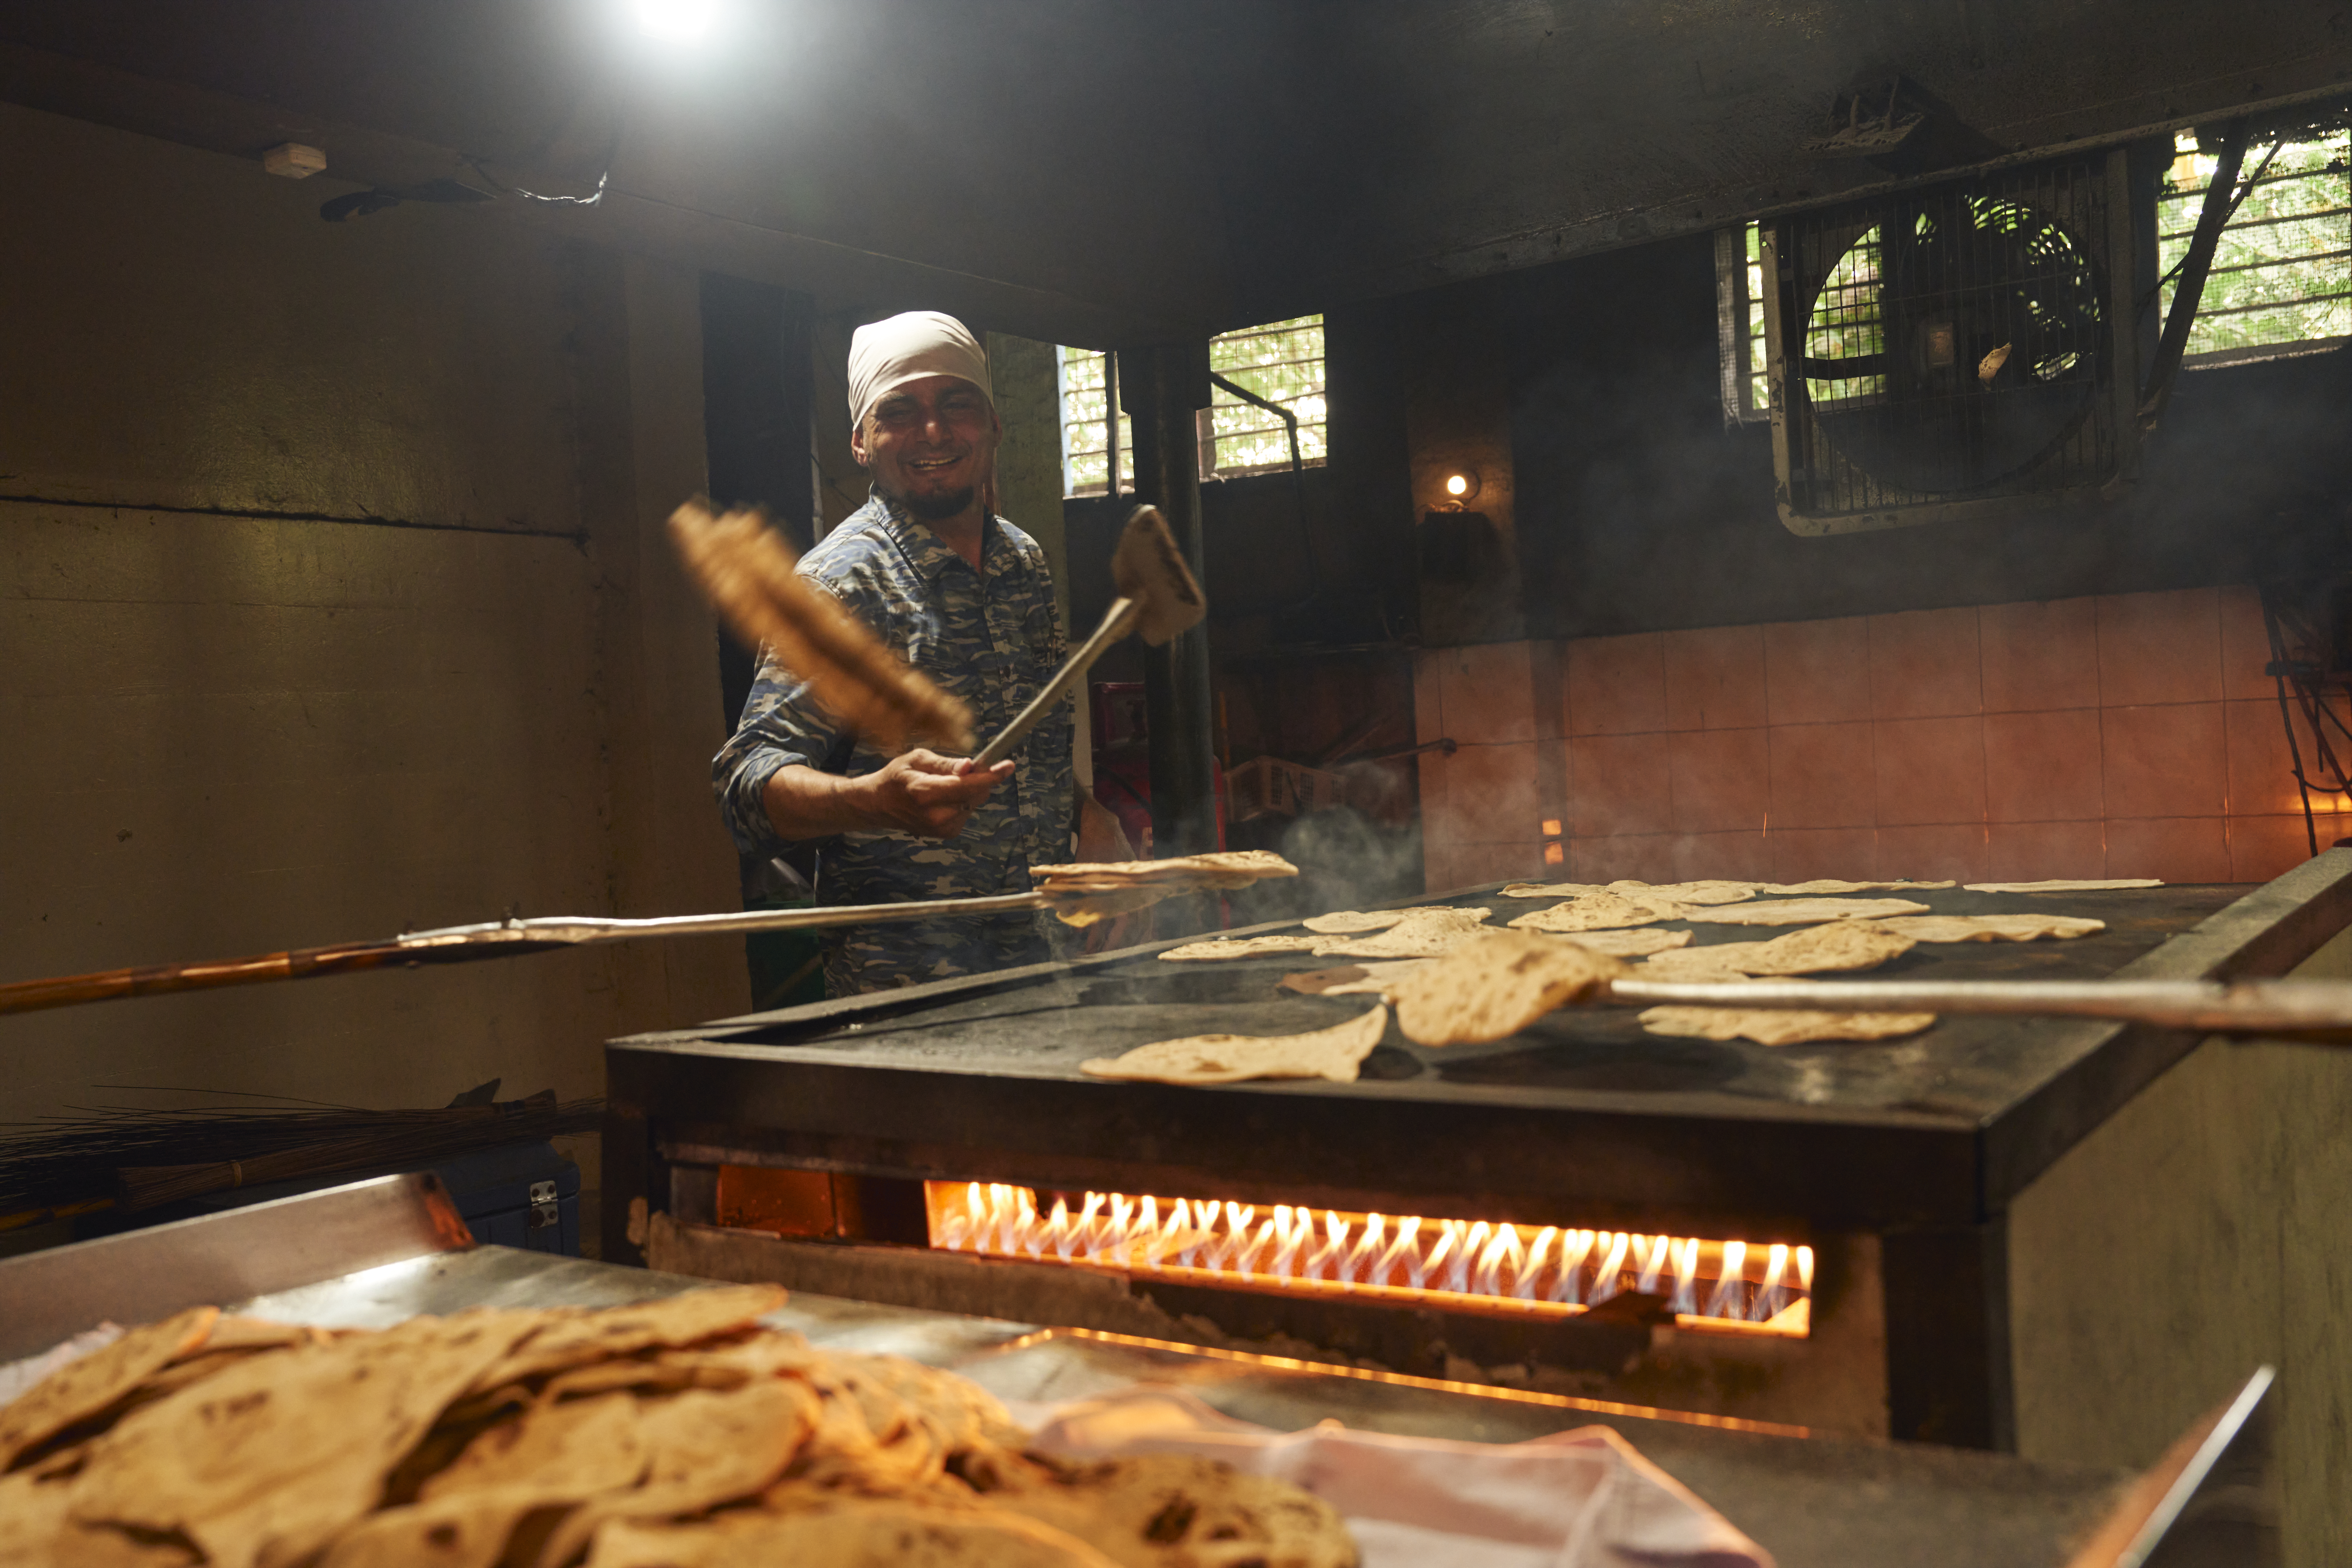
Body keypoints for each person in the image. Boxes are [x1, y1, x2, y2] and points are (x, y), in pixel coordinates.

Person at [712, 311, 1108, 994]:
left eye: (957, 403)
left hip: (1050, 966)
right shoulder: (838, 586)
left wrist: (1094, 819)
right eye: (899, 410)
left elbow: (1020, 749)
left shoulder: (1023, 563)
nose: (933, 430)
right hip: (911, 989)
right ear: (862, 443)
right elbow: (745, 785)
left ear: (993, 427)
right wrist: (871, 800)